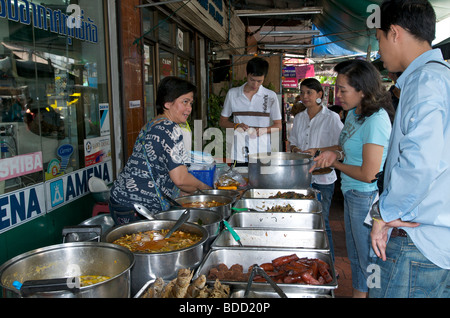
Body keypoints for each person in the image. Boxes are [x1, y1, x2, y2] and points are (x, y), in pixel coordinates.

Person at [369, 0, 450, 298]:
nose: (379, 51)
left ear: (394, 33)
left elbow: (420, 163)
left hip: (415, 242)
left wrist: (384, 213)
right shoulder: (442, 77)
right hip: (435, 242)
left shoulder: (424, 80)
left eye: (379, 39)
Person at [311, 59, 394, 298]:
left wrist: (335, 162)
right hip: (350, 193)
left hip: (365, 197)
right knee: (357, 255)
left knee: (370, 259)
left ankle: (373, 294)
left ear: (363, 90)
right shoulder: (354, 114)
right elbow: (346, 147)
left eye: (343, 90)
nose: (338, 96)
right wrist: (328, 152)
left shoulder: (376, 120)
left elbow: (369, 174)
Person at [110, 76, 212, 224]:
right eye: (184, 102)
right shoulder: (169, 128)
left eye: (190, 103)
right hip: (138, 207)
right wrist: (205, 189)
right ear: (167, 103)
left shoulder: (152, 124)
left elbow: (162, 170)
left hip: (120, 200)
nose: (189, 108)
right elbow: (181, 179)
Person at [288, 78, 344, 261]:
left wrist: (319, 151)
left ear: (320, 95)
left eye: (309, 93)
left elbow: (342, 146)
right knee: (303, 220)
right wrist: (296, 150)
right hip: (302, 177)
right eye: (302, 93)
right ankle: (307, 261)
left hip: (323, 178)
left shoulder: (331, 118)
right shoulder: (299, 117)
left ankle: (330, 264)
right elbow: (293, 143)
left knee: (322, 222)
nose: (305, 97)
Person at [219, 57, 282, 164]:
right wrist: (236, 125)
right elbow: (222, 121)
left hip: (262, 152)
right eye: (252, 80)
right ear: (246, 73)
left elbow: (278, 125)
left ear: (264, 78)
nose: (255, 85)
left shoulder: (271, 96)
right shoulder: (233, 94)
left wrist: (264, 130)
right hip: (239, 153)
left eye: (259, 81)